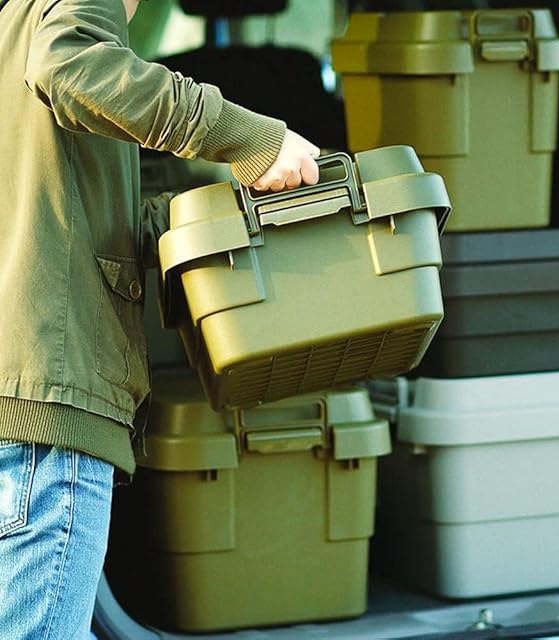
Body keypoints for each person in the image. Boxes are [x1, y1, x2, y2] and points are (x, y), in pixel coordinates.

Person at [0, 0, 320, 637]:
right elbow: (69, 64)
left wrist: (215, 217)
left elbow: (77, 218)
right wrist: (255, 139)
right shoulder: (68, 20)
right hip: (49, 413)